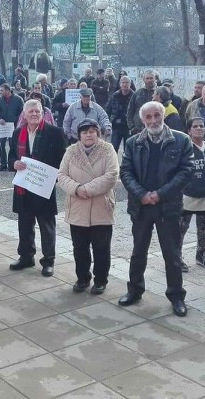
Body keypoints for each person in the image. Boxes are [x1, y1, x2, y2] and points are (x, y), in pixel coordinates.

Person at [118, 101, 192, 317]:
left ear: (163, 115)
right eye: (148, 117)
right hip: (141, 207)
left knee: (172, 254)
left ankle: (177, 296)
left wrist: (159, 194)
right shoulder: (133, 143)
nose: (153, 121)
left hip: (168, 206)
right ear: (142, 120)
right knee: (138, 252)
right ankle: (134, 291)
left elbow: (185, 172)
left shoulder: (180, 140)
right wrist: (142, 195)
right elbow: (126, 173)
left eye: (156, 116)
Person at [57, 118, 118, 294]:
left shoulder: (108, 149)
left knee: (101, 248)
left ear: (97, 133)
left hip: (101, 206)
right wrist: (76, 189)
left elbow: (112, 175)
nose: (88, 135)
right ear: (79, 136)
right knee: (80, 247)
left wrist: (87, 189)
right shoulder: (71, 151)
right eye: (84, 132)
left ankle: (100, 280)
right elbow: (62, 175)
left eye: (92, 131)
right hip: (77, 205)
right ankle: (82, 278)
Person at [8, 100, 67, 276]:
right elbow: (11, 156)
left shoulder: (54, 133)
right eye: (31, 111)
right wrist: (14, 164)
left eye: (38, 111)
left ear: (43, 113)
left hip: (44, 186)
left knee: (47, 226)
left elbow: (62, 159)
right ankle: (26, 257)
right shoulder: (18, 132)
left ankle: (48, 261)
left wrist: (51, 178)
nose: (34, 114)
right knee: (25, 225)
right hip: (23, 187)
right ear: (24, 114)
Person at [180, 117, 205, 271]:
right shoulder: (185, 147)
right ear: (189, 131)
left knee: (204, 229)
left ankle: (201, 255)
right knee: (181, 229)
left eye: (201, 126)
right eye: (195, 126)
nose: (199, 129)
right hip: (188, 196)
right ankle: (177, 257)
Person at [0, 84, 24, 171]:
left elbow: (22, 112)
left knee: (13, 145)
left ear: (8, 90)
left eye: (2, 90)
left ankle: (12, 164)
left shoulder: (18, 99)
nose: (0, 92)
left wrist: (16, 120)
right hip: (2, 127)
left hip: (14, 126)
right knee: (1, 145)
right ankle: (3, 164)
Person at [105, 76, 133, 151]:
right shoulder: (115, 96)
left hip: (129, 127)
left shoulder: (134, 96)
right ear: (120, 84)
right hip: (116, 127)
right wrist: (109, 122)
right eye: (123, 83)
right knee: (113, 149)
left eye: (126, 82)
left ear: (130, 84)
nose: (125, 84)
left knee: (128, 150)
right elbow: (108, 109)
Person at [127, 70, 157, 135]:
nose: (149, 80)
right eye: (147, 78)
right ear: (143, 79)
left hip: (154, 129)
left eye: (151, 78)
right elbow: (130, 110)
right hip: (138, 129)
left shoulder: (159, 93)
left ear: (155, 79)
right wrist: (131, 126)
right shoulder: (137, 93)